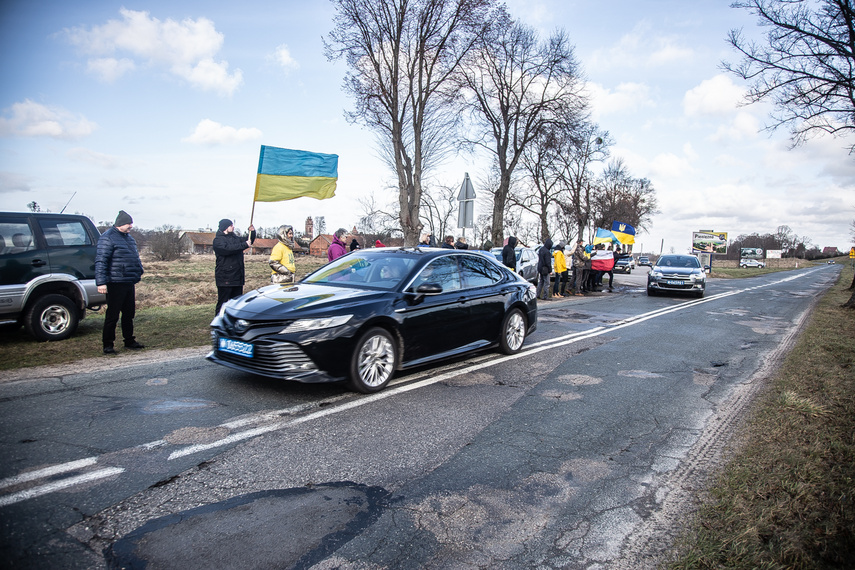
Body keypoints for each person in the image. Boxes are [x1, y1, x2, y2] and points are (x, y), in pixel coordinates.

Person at [96, 210, 144, 354]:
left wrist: (139, 270)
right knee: (113, 315)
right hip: (115, 282)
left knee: (129, 314)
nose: (131, 226)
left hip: (128, 281)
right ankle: (108, 344)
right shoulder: (108, 238)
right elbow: (101, 261)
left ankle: (129, 340)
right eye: (129, 223)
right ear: (120, 224)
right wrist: (101, 283)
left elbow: (134, 257)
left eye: (131, 223)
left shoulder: (129, 238)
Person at [213, 219, 256, 315]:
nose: (233, 227)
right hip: (225, 278)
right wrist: (244, 245)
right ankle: (219, 322)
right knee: (223, 302)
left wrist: (252, 232)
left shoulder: (235, 238)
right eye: (231, 225)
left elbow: (248, 240)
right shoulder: (218, 241)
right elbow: (228, 249)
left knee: (237, 303)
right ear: (225, 227)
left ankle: (233, 322)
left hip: (237, 276)